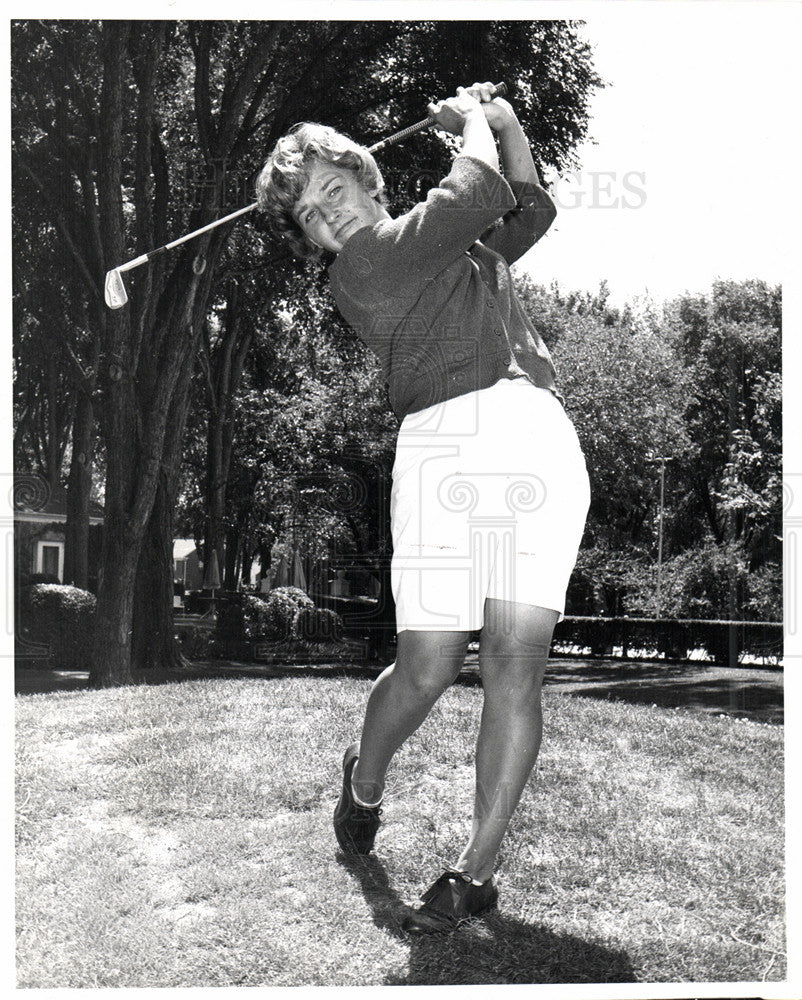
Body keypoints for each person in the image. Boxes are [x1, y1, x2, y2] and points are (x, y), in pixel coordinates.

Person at [257, 83, 590, 934]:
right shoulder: (364, 266)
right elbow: (476, 187)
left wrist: (506, 124)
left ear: (367, 178)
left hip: (534, 436)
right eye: (307, 217)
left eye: (333, 192)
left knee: (516, 661)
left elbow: (527, 207)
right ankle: (364, 778)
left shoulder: (451, 243)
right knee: (431, 665)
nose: (325, 219)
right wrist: (473, 124)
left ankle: (476, 870)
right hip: (442, 449)